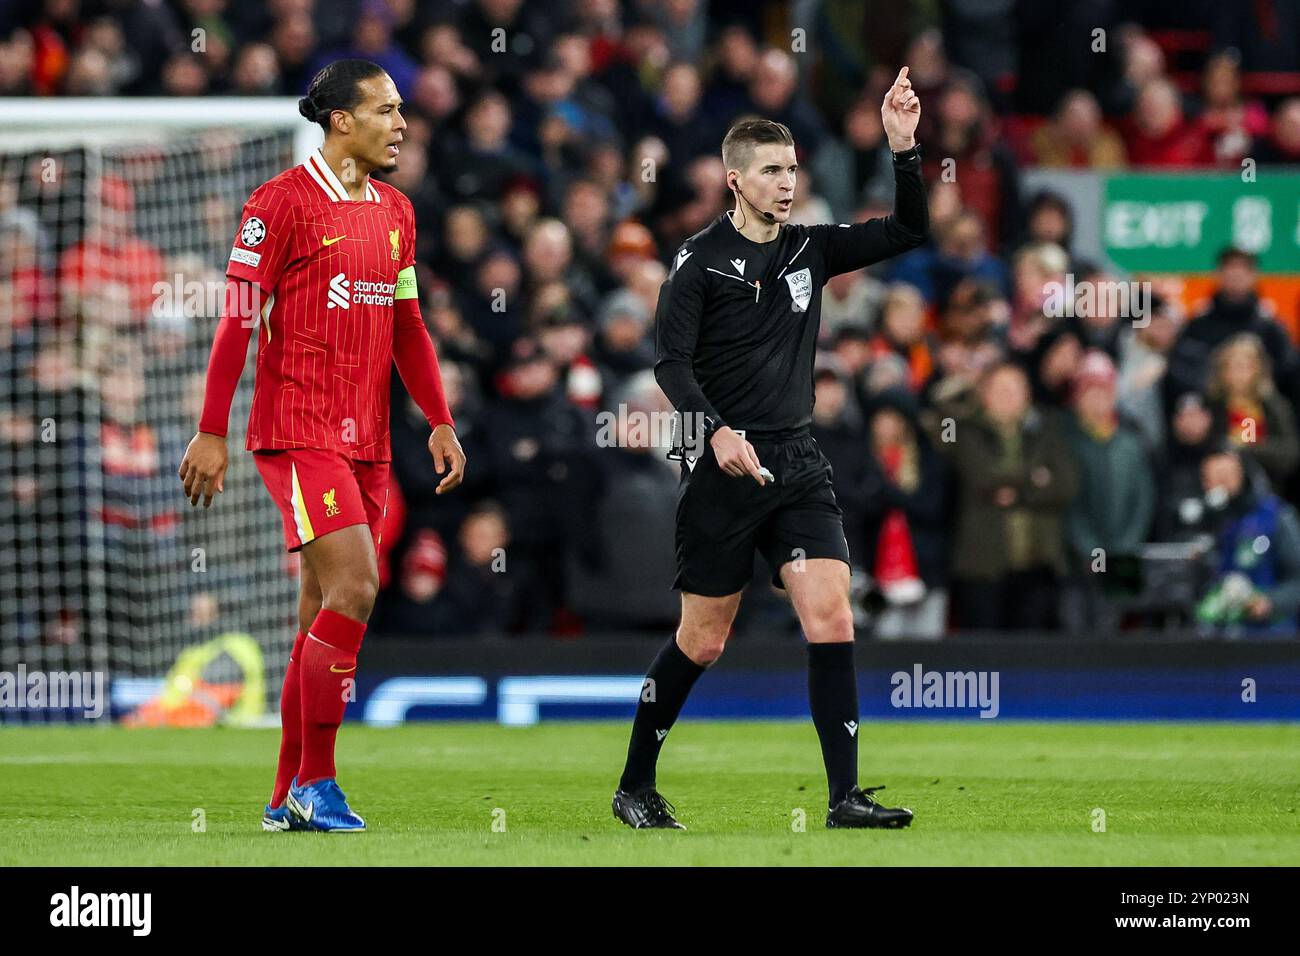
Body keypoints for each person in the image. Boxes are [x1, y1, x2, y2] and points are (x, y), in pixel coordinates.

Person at [612, 68, 928, 831]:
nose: (788, 185)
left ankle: (845, 798)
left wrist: (905, 149)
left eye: (793, 171)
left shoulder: (810, 251)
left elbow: (908, 231)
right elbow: (670, 365)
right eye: (772, 172)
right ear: (735, 180)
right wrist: (715, 432)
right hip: (723, 469)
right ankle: (635, 784)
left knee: (832, 616)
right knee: (704, 640)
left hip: (797, 462)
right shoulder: (696, 263)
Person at [177, 60, 466, 832]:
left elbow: (407, 324)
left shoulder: (398, 212)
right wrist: (211, 429)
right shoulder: (278, 205)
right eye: (387, 109)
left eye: (404, 109)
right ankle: (319, 781)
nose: (402, 123)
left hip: (367, 441)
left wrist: (436, 417)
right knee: (357, 589)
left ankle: (283, 799)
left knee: (320, 611)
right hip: (298, 432)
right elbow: (238, 319)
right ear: (342, 120)